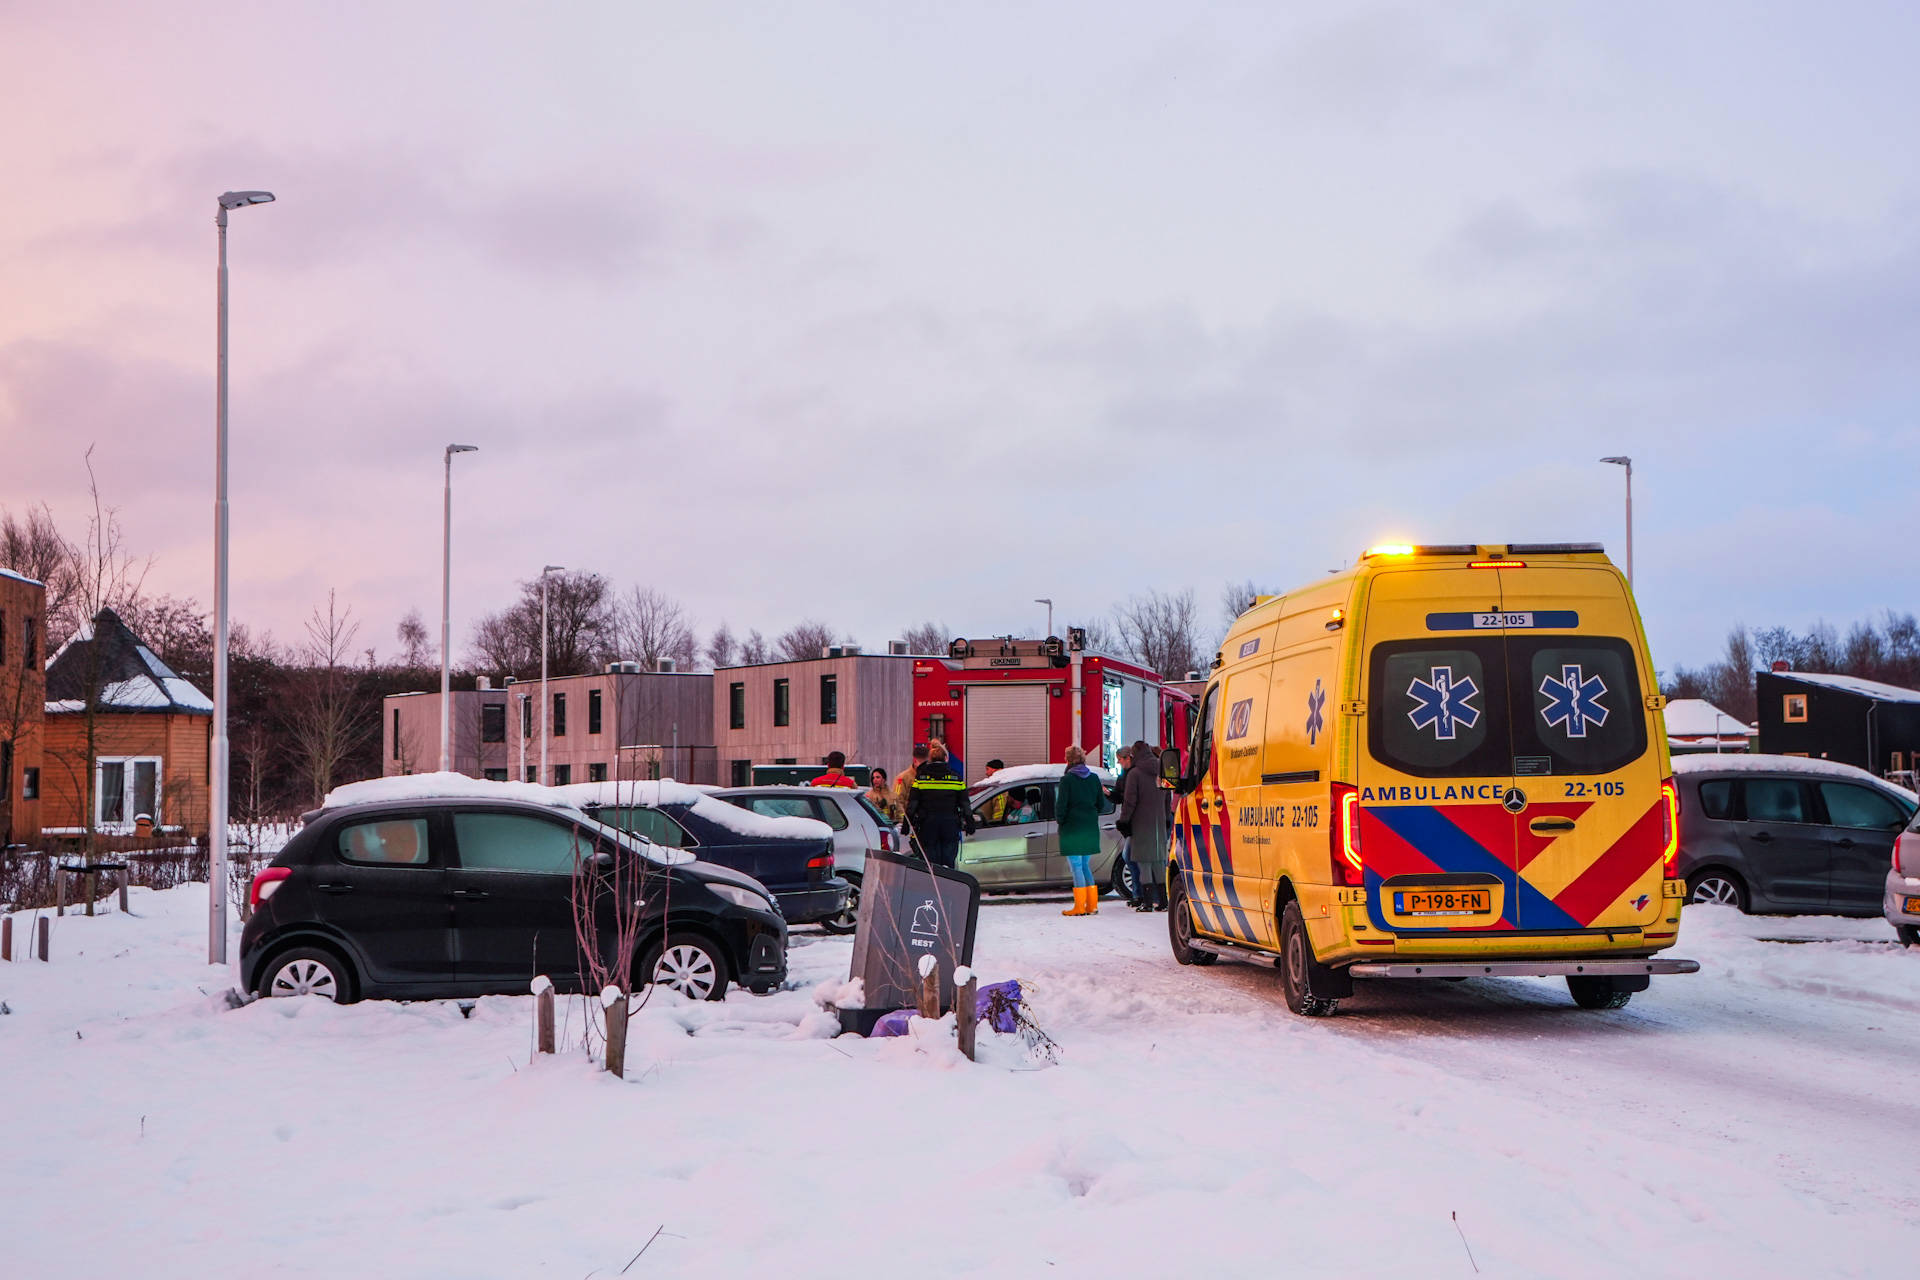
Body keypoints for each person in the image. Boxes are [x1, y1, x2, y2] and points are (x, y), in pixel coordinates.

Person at [906, 742, 972, 868]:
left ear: (929, 759)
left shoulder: (921, 778)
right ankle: (948, 884)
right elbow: (965, 804)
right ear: (946, 758)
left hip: (927, 826)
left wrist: (906, 824)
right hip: (950, 826)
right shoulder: (956, 778)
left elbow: (912, 803)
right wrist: (970, 822)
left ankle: (934, 884)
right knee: (949, 861)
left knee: (932, 863)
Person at [1122, 739, 1170, 911]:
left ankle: (1148, 903)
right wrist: (1166, 817)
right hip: (1159, 823)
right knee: (1158, 862)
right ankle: (1163, 901)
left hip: (1141, 824)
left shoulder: (1135, 774)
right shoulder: (1161, 769)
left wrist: (1124, 821)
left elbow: (1129, 802)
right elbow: (1167, 795)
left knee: (1144, 864)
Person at [1056, 744, 1104, 916]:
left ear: (1068, 760)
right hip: (1090, 827)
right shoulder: (1094, 778)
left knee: (1075, 865)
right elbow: (1101, 804)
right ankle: (1092, 905)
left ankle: (1079, 906)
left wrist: (1060, 822)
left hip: (1072, 827)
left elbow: (1061, 806)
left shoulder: (1067, 780)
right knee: (1084, 865)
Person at [1109, 746, 1140, 907]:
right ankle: (1138, 893)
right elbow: (1120, 796)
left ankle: (1139, 894)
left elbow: (1129, 800)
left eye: (1120, 760)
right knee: (1130, 857)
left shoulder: (1135, 774)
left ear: (1128, 757)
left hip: (1135, 823)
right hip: (1129, 823)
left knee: (1129, 857)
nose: (1119, 763)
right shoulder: (1125, 775)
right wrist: (1110, 794)